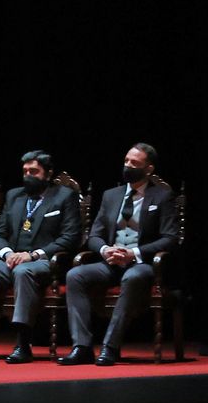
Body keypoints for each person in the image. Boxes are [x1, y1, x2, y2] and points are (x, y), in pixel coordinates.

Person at [58, 143, 179, 367]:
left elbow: (170, 238)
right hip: (111, 262)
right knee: (75, 275)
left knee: (132, 277)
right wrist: (105, 250)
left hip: (141, 264)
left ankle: (110, 347)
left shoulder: (163, 196)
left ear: (149, 169)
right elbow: (94, 235)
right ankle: (82, 347)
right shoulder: (111, 195)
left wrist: (133, 253)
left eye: (135, 163)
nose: (128, 166)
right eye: (126, 161)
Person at [0, 149, 82, 363]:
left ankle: (23, 344)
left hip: (45, 263)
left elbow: (70, 237)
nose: (28, 176)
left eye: (34, 172)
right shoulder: (14, 195)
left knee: (24, 272)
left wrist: (32, 255)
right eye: (25, 171)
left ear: (48, 173)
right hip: (11, 260)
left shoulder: (64, 196)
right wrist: (8, 253)